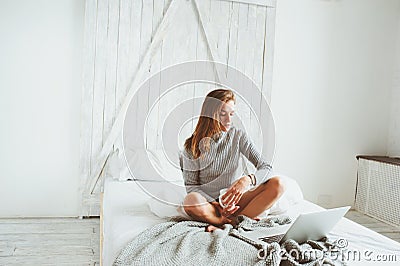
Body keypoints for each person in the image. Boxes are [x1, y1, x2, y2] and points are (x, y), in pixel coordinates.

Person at [180, 88, 285, 232]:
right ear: (210, 114)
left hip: (235, 202)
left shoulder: (238, 136)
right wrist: (216, 204)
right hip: (211, 205)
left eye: (231, 114)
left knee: (278, 184)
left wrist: (248, 179)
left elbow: (266, 167)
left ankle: (233, 222)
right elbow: (191, 186)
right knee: (190, 200)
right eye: (223, 114)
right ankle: (224, 221)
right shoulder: (191, 146)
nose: (229, 120)